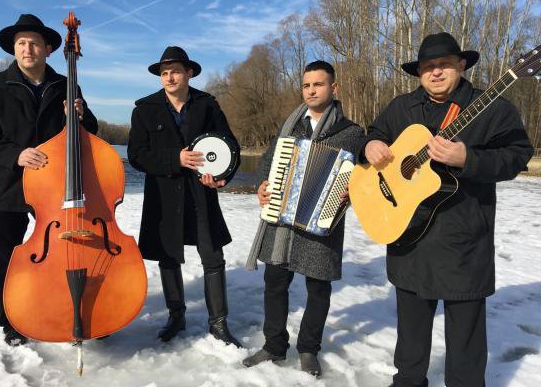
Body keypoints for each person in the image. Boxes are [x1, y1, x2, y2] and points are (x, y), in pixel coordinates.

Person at [362, 32, 534, 387]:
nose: (435, 72)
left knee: (466, 342)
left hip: (463, 238)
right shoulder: (401, 107)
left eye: (443, 64)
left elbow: (517, 156)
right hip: (407, 235)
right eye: (427, 67)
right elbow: (371, 133)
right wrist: (371, 144)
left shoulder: (492, 107)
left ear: (462, 64)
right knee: (410, 339)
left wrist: (467, 158)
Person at [0, 14, 98, 346]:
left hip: (55, 189)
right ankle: (10, 321)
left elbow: (89, 133)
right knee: (8, 258)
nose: (28, 49)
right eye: (21, 43)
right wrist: (16, 154)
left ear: (49, 49)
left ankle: (62, 310)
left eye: (35, 43)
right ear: (14, 49)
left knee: (60, 254)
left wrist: (80, 117)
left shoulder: (66, 84)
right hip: (6, 186)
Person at [243, 60, 364, 376]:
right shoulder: (289, 126)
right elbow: (268, 164)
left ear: (333, 88)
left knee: (318, 289)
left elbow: (368, 174)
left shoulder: (351, 133)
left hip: (322, 223)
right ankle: (274, 346)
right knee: (274, 283)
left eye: (318, 84)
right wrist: (263, 186)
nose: (311, 90)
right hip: (281, 223)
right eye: (307, 85)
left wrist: (353, 190)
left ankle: (309, 349)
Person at [127, 46, 241, 347]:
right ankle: (176, 317)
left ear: (189, 73)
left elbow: (231, 147)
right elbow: (137, 155)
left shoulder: (208, 105)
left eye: (175, 71)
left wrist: (221, 177)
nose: (169, 77)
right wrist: (174, 159)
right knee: (168, 257)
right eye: (164, 73)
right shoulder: (144, 109)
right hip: (163, 196)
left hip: (201, 193)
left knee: (213, 256)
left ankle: (219, 324)